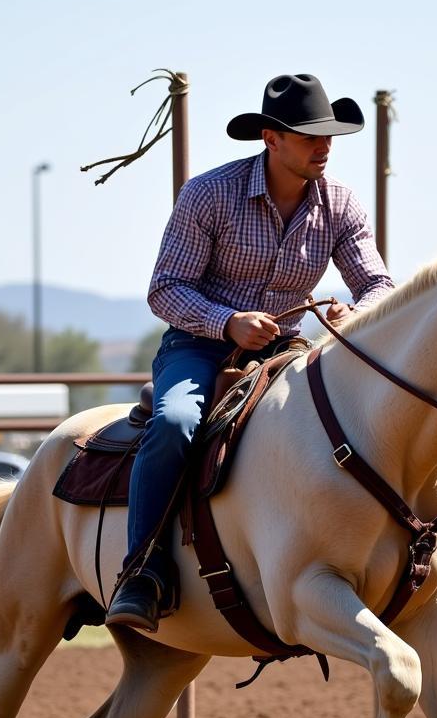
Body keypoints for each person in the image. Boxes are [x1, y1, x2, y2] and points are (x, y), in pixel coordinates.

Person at [106, 73, 395, 631]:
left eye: (329, 134)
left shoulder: (341, 205)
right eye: (310, 134)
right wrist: (227, 323)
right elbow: (165, 288)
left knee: (347, 424)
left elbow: (378, 284)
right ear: (271, 138)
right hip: (198, 345)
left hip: (286, 350)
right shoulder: (209, 194)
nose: (325, 145)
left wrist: (354, 314)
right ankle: (141, 570)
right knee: (176, 420)